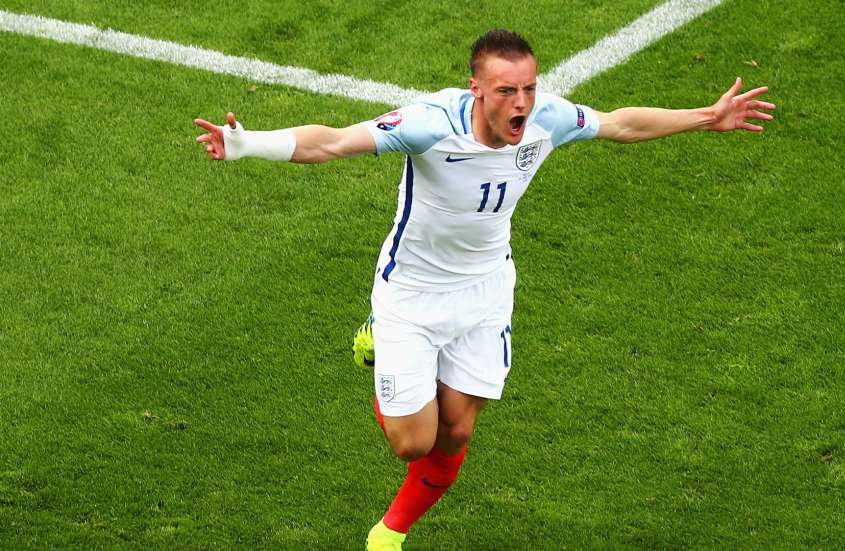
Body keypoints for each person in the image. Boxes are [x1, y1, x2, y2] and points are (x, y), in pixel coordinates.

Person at [195, 29, 774, 551]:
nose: (520, 102)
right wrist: (249, 144)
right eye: (505, 91)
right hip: (413, 294)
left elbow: (620, 123)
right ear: (476, 88)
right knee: (412, 443)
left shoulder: (547, 118)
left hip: (485, 291)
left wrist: (706, 117)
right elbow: (333, 142)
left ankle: (387, 534)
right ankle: (377, 343)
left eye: (527, 88)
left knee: (458, 430)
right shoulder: (429, 125)